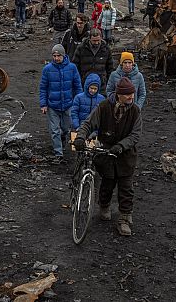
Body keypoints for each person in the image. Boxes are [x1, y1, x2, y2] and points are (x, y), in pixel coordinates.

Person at [74, 77, 142, 236]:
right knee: (106, 184)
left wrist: (121, 146)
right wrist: (80, 137)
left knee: (126, 189)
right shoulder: (104, 107)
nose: (131, 97)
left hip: (126, 156)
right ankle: (104, 206)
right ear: (119, 94)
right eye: (128, 94)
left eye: (132, 93)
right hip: (106, 154)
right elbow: (88, 123)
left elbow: (135, 135)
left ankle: (124, 219)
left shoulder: (135, 111)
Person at [40, 44, 82, 159]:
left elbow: (77, 85)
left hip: (68, 104)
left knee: (65, 128)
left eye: (59, 55)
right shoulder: (47, 69)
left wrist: (78, 102)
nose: (56, 58)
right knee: (54, 130)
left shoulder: (72, 68)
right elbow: (43, 87)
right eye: (54, 55)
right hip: (52, 105)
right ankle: (58, 153)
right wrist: (43, 104)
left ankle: (63, 138)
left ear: (63, 55)